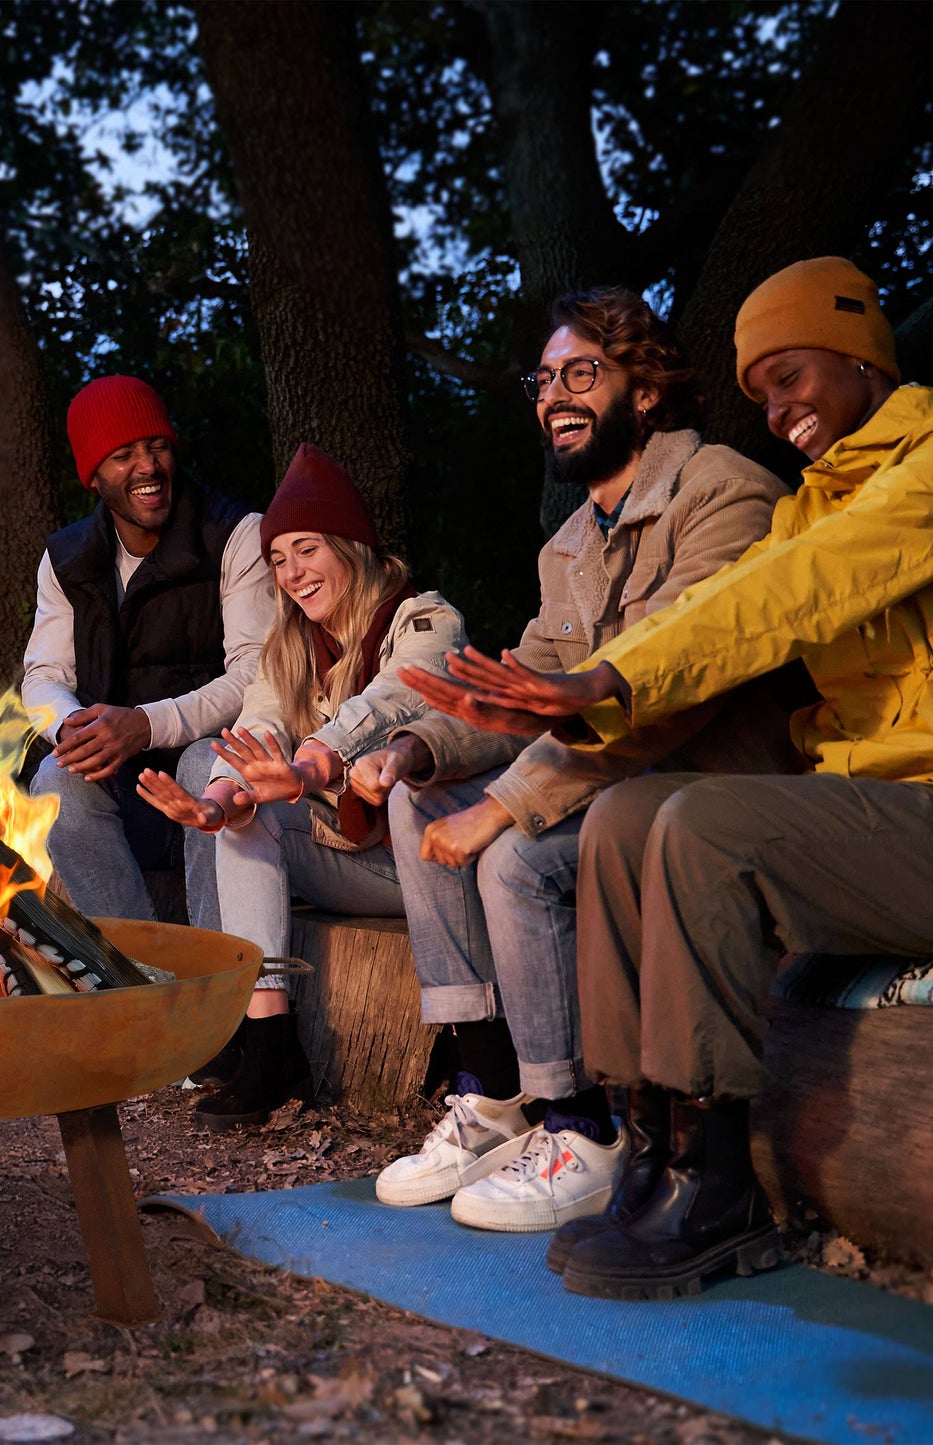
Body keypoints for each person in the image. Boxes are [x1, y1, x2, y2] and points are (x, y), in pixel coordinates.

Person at [440, 256, 930, 1298]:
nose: (778, 408)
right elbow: (741, 599)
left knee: (702, 824)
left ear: (859, 355)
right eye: (759, 392)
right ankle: (649, 1144)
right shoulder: (808, 503)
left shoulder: (920, 465)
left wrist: (610, 675)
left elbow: (793, 593)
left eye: (791, 376)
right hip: (876, 814)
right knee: (624, 818)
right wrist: (576, 689)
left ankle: (720, 1182)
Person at [354, 288, 798, 1234]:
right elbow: (529, 695)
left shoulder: (724, 489)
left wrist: (503, 808)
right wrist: (420, 747)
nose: (553, 393)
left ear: (645, 390)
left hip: (711, 793)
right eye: (542, 378)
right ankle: (490, 1087)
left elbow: (669, 692)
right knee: (416, 800)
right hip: (616, 786)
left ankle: (580, 1124)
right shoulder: (568, 544)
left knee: (516, 856)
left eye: (580, 372)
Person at [138, 443, 467, 1129]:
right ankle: (270, 1046)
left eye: (306, 549)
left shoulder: (427, 620)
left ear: (350, 545)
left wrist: (312, 762)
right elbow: (253, 732)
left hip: (425, 860)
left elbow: (385, 701)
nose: (291, 573)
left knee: (373, 798)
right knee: (242, 821)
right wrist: (215, 802)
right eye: (279, 558)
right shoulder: (286, 646)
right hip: (347, 859)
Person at [23, 375, 275, 932]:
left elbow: (256, 675)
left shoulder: (235, 534)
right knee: (58, 777)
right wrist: (73, 729)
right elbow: (43, 675)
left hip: (216, 778)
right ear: (93, 476)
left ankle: (222, 975)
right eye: (123, 455)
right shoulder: (66, 559)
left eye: (157, 446)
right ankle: (138, 977)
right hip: (126, 790)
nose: (148, 467)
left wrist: (144, 724)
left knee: (207, 759)